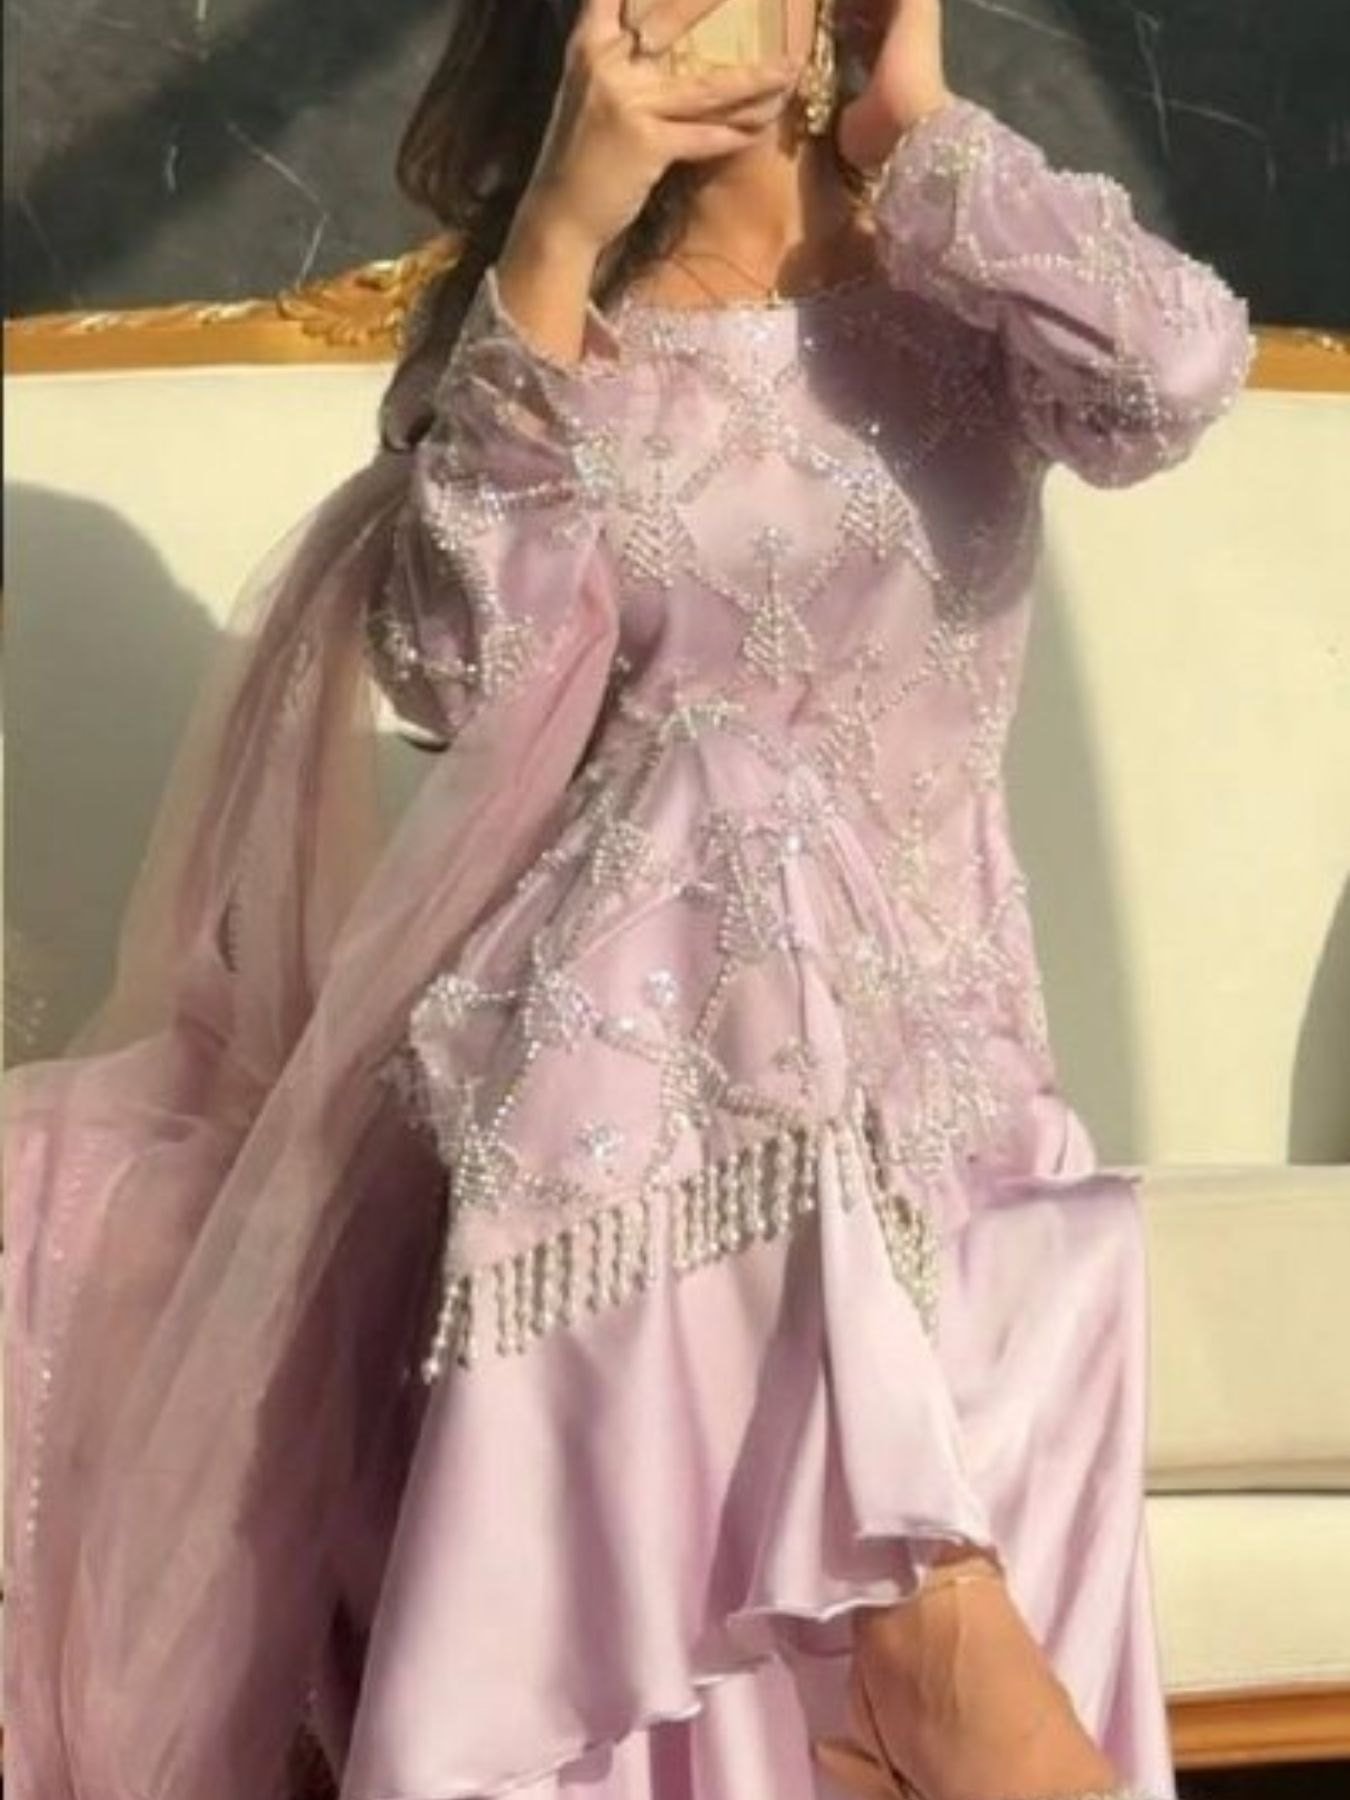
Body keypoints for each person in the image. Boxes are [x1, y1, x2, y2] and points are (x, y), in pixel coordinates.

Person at [3, 1, 1255, 1797]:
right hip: (591, 1118)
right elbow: (460, 676)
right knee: (708, 775)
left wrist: (914, 124)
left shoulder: (957, 277)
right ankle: (927, 1636)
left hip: (935, 1085)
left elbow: (1174, 377)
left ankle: (924, 1637)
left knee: (730, 778)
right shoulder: (545, 337)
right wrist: (556, 236)